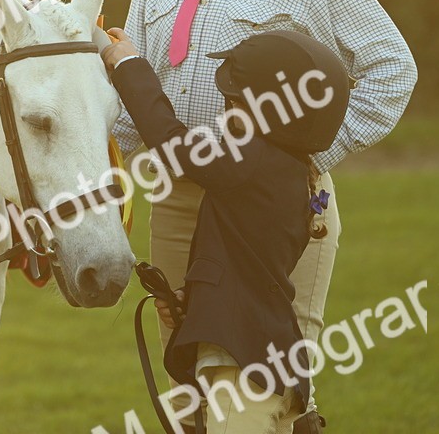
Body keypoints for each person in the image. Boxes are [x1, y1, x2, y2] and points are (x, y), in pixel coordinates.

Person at [109, 0, 418, 432]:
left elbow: (390, 67)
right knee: (193, 400)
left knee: (259, 393)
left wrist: (314, 155)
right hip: (179, 206)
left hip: (274, 211)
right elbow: (130, 92)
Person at [103, 28, 350, 433]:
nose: (221, 111)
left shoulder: (249, 160)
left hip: (244, 368)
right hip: (264, 360)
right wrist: (194, 300)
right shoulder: (290, 174)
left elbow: (169, 142)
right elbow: (246, 268)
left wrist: (128, 65)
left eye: (231, 101)